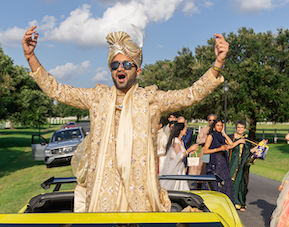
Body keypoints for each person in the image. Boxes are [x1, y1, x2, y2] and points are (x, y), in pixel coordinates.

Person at [22, 24, 229, 213]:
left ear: (137, 70)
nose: (120, 68)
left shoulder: (151, 99)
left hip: (139, 200)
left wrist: (218, 63)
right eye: (115, 65)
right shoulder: (97, 97)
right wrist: (31, 57)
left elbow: (190, 94)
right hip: (100, 200)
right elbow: (57, 91)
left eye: (126, 64)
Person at [227, 121, 257, 212]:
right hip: (232, 162)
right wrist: (239, 141)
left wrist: (260, 146)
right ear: (236, 128)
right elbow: (228, 147)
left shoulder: (247, 139)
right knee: (231, 181)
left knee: (242, 183)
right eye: (238, 127)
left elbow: (250, 151)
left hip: (242, 164)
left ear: (245, 129)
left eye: (242, 128)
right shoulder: (231, 137)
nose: (240, 129)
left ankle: (240, 203)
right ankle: (230, 201)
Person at [159, 122, 198, 191]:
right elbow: (179, 155)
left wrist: (189, 152)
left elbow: (182, 153)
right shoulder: (176, 141)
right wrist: (189, 149)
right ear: (180, 131)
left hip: (180, 166)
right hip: (175, 167)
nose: (186, 130)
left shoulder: (180, 141)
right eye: (185, 129)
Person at [202, 120, 234, 201]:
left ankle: (224, 201)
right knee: (216, 183)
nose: (219, 127)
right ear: (214, 126)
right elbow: (205, 151)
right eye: (218, 125)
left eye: (221, 126)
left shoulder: (222, 137)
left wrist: (224, 133)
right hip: (215, 162)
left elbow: (231, 144)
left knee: (224, 182)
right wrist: (218, 149)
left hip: (223, 162)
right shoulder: (211, 136)